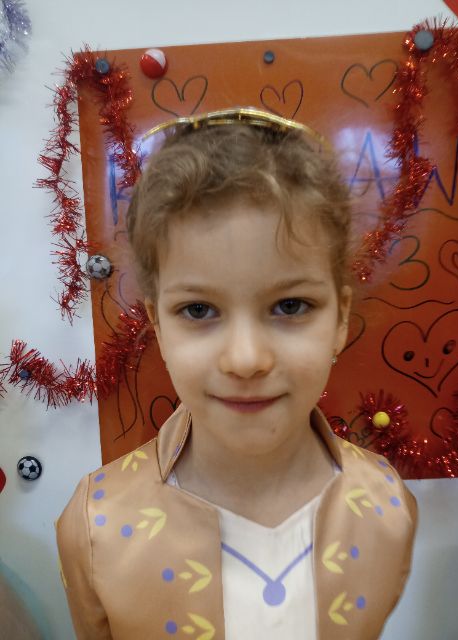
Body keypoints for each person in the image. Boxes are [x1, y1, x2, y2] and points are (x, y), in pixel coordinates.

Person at [56, 107, 417, 640]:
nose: (246, 359)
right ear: (158, 325)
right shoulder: (96, 526)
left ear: (340, 319)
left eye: (290, 306)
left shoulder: (387, 506)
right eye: (199, 310)